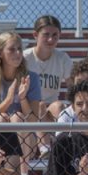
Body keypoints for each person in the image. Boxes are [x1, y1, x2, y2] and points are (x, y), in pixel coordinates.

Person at [0, 32, 42, 175]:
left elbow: (33, 120)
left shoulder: (31, 78)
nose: (18, 53)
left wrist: (22, 98)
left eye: (20, 49)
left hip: (26, 140)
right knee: (1, 117)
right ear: (0, 53)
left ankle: (24, 174)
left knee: (17, 117)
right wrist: (7, 100)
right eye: (12, 49)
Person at [23, 14, 73, 156]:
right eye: (46, 35)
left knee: (59, 106)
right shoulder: (26, 58)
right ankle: (44, 144)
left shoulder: (62, 58)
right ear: (35, 35)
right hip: (29, 106)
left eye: (55, 35)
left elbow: (72, 88)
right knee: (39, 105)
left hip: (51, 108)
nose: (50, 39)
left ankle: (62, 147)